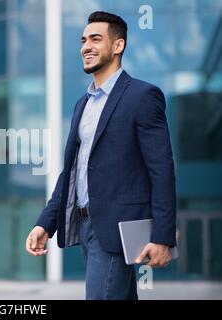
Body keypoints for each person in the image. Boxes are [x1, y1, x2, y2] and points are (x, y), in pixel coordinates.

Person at [25, 11, 176, 300]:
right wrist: (45, 223)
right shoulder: (83, 104)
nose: (86, 46)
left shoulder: (143, 96)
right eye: (83, 40)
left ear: (118, 46)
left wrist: (162, 236)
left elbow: (162, 169)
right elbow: (71, 172)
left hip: (119, 228)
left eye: (96, 39)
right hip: (85, 227)